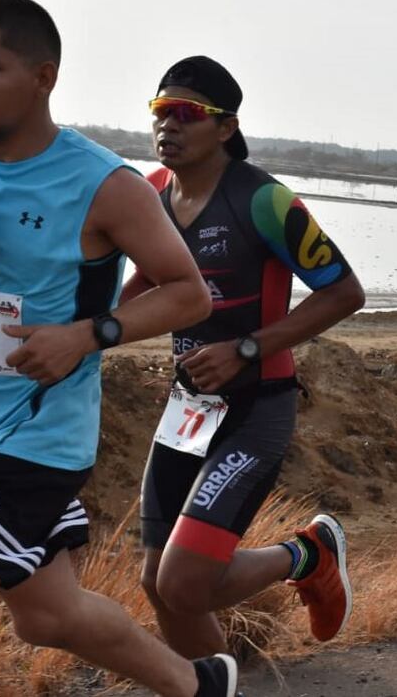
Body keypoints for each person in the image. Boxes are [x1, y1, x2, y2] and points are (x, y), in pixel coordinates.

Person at [0, 0, 244, 697]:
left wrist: (87, 336)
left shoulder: (105, 184)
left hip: (36, 441)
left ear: (43, 76)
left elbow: (189, 293)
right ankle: (199, 685)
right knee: (48, 615)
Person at [121, 56, 366, 660]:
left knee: (185, 581)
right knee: (157, 584)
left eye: (186, 114)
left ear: (225, 127)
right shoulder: (149, 194)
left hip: (256, 408)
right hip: (187, 410)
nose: (167, 126)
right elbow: (142, 291)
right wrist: (77, 335)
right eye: (160, 111)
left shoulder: (264, 201)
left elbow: (345, 292)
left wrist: (247, 348)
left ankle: (308, 554)